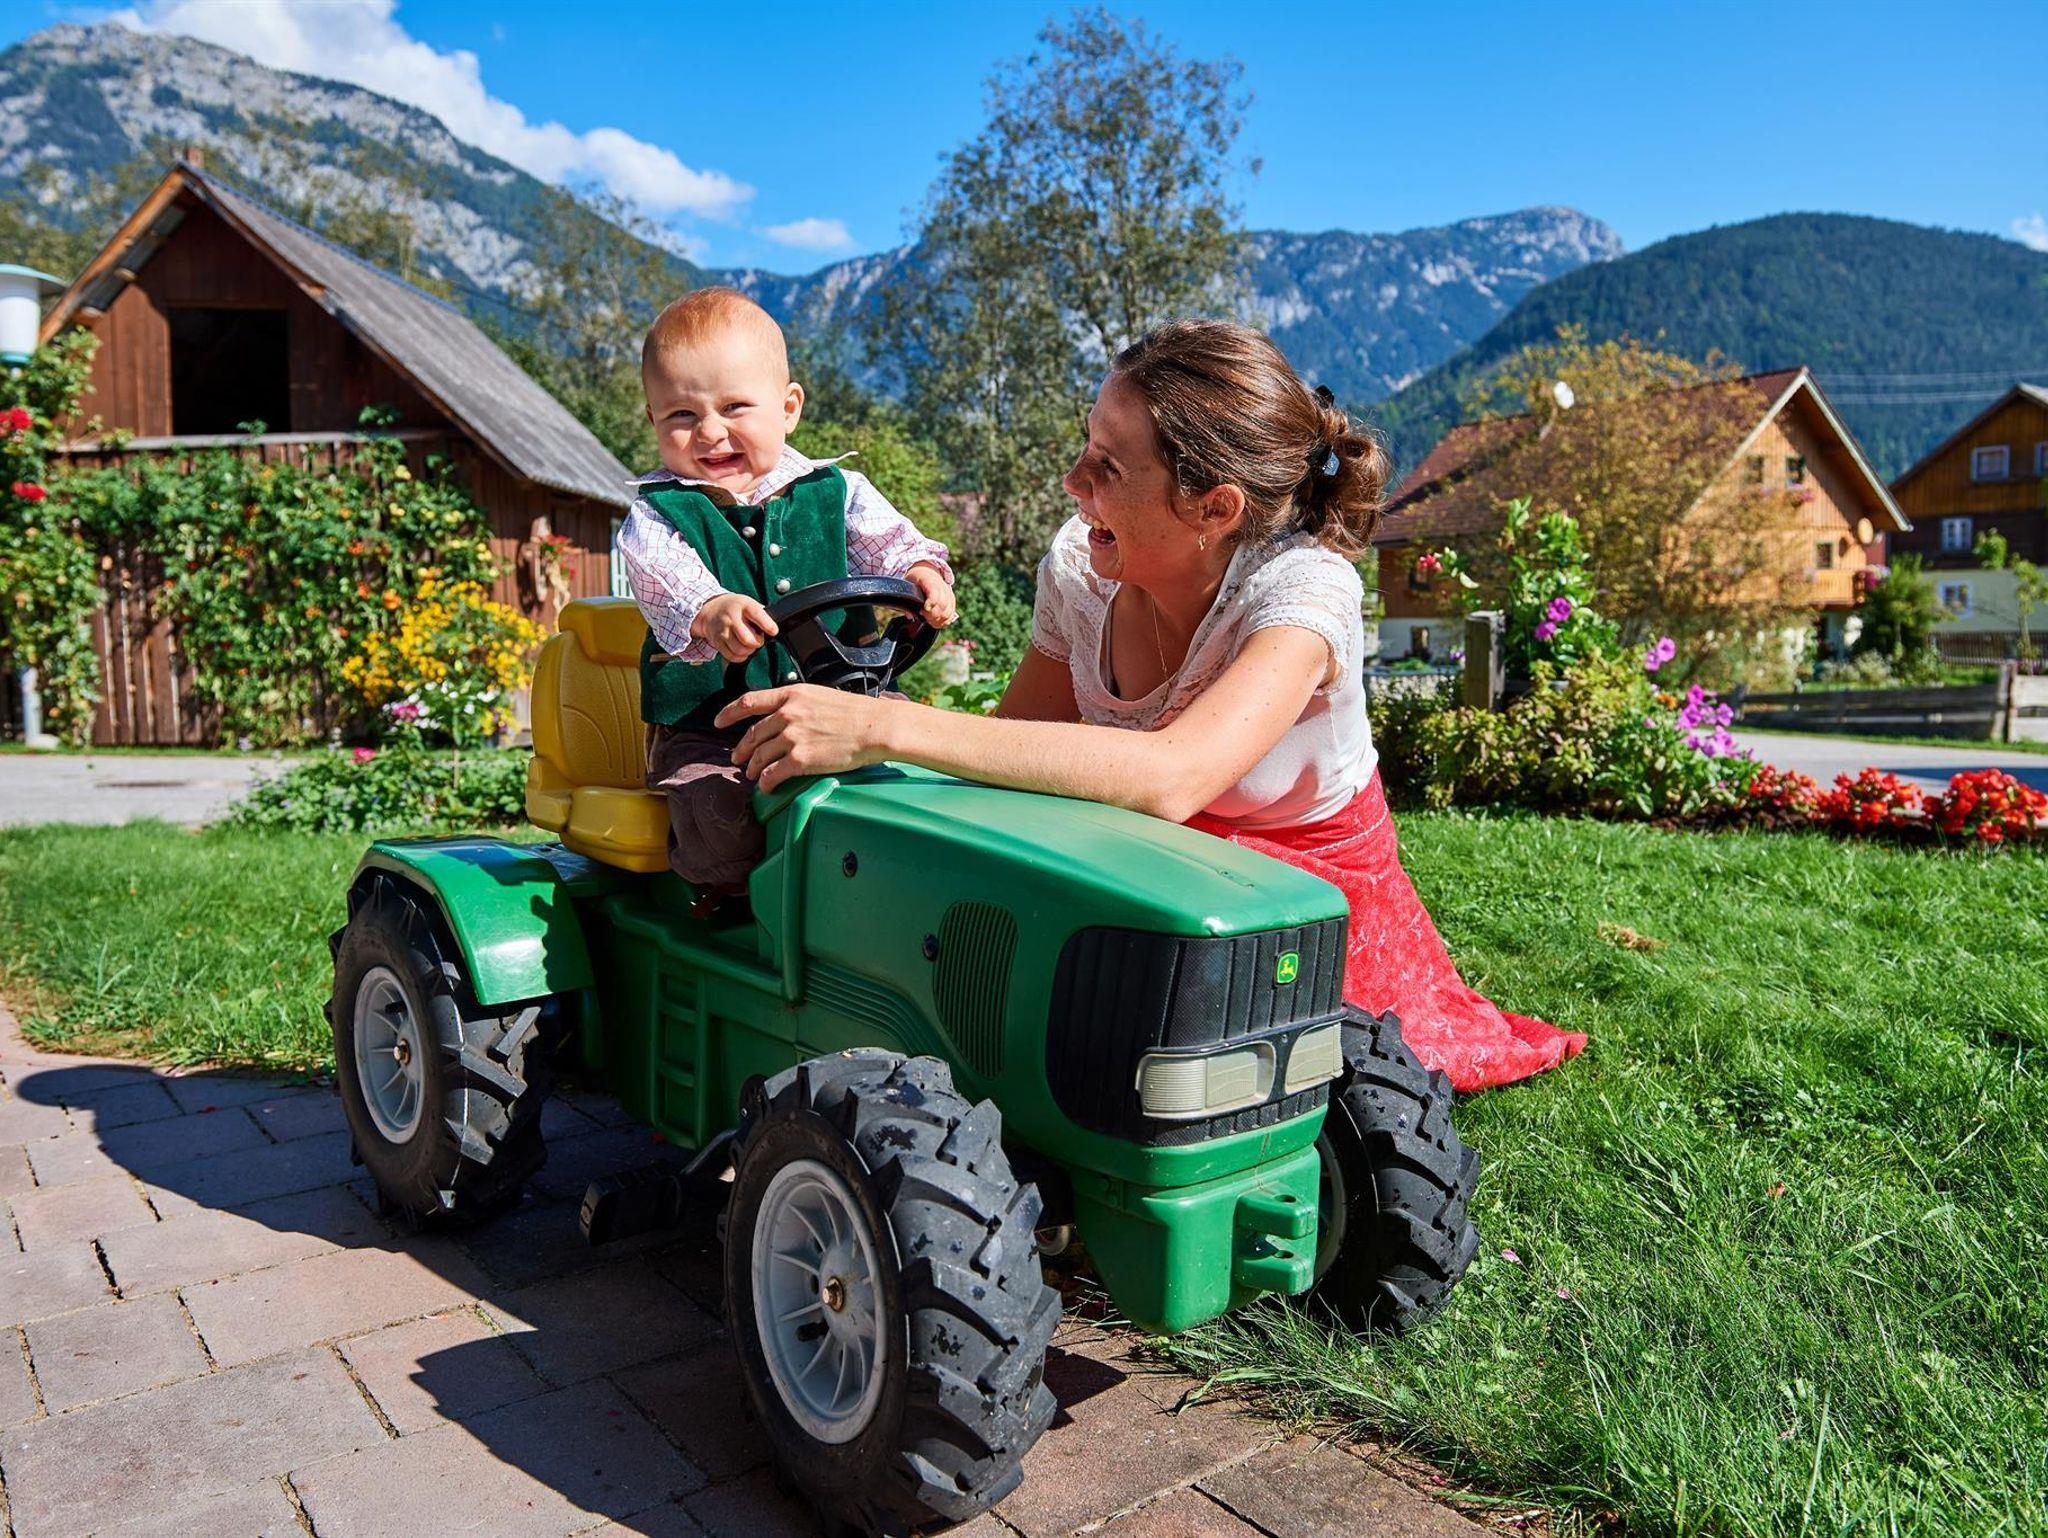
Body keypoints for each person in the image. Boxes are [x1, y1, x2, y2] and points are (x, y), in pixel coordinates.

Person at [715, 319, 1582, 1091]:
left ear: (1215, 508)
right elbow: (1015, 749)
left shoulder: (1304, 593)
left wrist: (885, 724)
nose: (1072, 480)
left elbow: (1173, 777)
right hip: (1141, 859)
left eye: (1108, 467)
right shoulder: (1081, 567)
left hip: (1297, 896)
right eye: (1085, 446)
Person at [617, 286, 956, 892]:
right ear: (653, 420)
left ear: (788, 407)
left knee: (924, 761)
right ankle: (725, 907)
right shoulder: (658, 512)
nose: (710, 432)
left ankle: (909, 886)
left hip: (848, 699)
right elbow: (662, 576)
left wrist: (921, 574)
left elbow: (891, 542)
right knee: (717, 814)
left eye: (734, 407)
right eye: (682, 416)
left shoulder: (838, 490)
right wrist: (709, 609)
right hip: (715, 727)